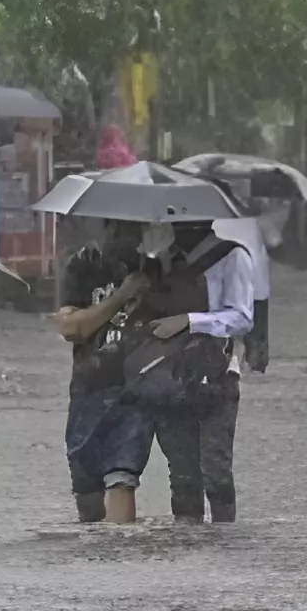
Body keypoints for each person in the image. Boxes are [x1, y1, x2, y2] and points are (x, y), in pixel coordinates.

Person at [125, 221, 255, 523]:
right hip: (168, 376)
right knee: (182, 474)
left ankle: (223, 541)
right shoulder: (159, 262)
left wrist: (189, 320)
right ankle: (187, 546)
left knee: (216, 472)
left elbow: (242, 318)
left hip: (217, 376)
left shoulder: (231, 256)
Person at [55, 220, 149, 523]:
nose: (128, 238)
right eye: (120, 230)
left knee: (123, 477)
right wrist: (122, 295)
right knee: (86, 492)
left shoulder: (154, 267)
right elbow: (71, 328)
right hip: (88, 388)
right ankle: (95, 562)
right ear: (105, 228)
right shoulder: (84, 264)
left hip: (134, 392)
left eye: (134, 231)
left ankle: (123, 565)